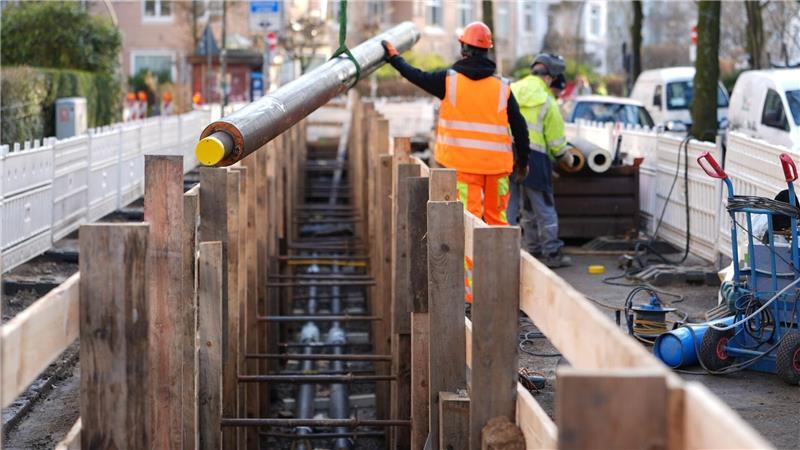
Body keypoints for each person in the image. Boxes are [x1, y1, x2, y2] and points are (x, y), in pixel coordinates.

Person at [381, 21, 530, 225]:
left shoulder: (448, 81)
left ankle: (470, 259)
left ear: (463, 49)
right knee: (498, 221)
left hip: (463, 165)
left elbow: (416, 76)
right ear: (487, 51)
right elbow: (519, 127)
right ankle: (498, 257)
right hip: (497, 167)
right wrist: (523, 161)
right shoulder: (502, 87)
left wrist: (394, 59)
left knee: (470, 220)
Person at [507, 53, 573, 268]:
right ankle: (552, 253)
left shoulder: (512, 90)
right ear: (550, 78)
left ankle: (517, 250)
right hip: (535, 158)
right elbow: (555, 142)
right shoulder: (547, 101)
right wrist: (566, 156)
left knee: (511, 205)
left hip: (507, 154)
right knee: (542, 206)